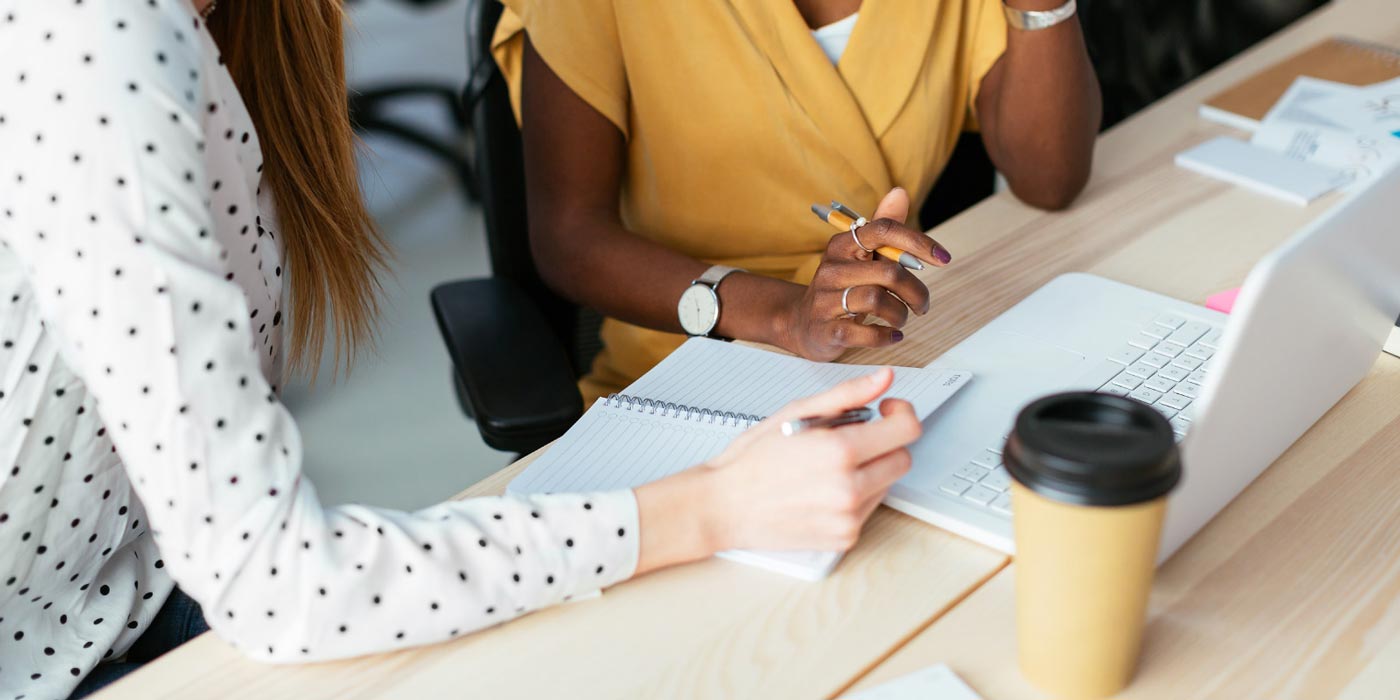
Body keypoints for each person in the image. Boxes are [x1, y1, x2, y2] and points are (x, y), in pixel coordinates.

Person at [0, 2, 924, 698]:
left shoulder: (223, 28)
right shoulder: (95, 40)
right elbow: (279, 584)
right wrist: (716, 507)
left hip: (125, 591)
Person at [493, 0, 1102, 403]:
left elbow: (1050, 179)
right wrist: (785, 316)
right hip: (690, 375)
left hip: (898, 355)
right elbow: (569, 237)